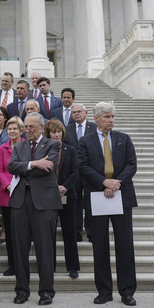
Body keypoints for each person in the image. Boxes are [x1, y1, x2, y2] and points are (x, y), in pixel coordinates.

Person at [77, 101, 138, 307]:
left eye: (112, 117)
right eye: (107, 117)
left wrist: (116, 183)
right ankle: (104, 291)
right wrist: (103, 182)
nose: (111, 120)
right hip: (97, 196)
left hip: (121, 195)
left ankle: (127, 291)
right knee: (100, 246)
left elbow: (132, 164)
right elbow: (82, 166)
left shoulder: (124, 139)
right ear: (96, 118)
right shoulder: (85, 141)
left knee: (125, 245)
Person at [8, 112, 61, 306]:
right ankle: (22, 290)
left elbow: (47, 167)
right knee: (20, 248)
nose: (27, 131)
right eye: (25, 128)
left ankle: (46, 291)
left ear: (40, 127)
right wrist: (34, 163)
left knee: (45, 248)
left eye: (31, 127)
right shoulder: (19, 145)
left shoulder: (53, 144)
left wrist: (29, 167)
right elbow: (12, 166)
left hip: (44, 202)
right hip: (21, 201)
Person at [44, 119, 80, 279]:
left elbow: (75, 171)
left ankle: (72, 266)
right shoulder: (43, 149)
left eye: (59, 131)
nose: (57, 134)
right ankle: (49, 266)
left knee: (70, 232)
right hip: (48, 195)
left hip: (67, 195)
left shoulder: (70, 149)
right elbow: (43, 171)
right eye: (53, 132)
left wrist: (64, 186)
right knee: (48, 233)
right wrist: (54, 187)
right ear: (48, 134)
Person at [0, 116, 25, 276]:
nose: (12, 131)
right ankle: (12, 264)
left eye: (15, 128)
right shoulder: (3, 148)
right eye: (9, 129)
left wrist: (18, 186)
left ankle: (22, 264)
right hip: (7, 194)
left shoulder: (26, 146)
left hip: (23, 193)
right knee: (10, 232)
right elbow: (0, 169)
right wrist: (8, 185)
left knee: (22, 232)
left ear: (21, 130)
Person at [64, 103, 97, 242]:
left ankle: (91, 232)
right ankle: (77, 231)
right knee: (75, 202)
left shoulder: (94, 128)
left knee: (90, 202)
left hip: (90, 171)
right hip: (74, 171)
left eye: (79, 111)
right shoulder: (67, 129)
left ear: (86, 112)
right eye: (74, 112)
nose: (76, 114)